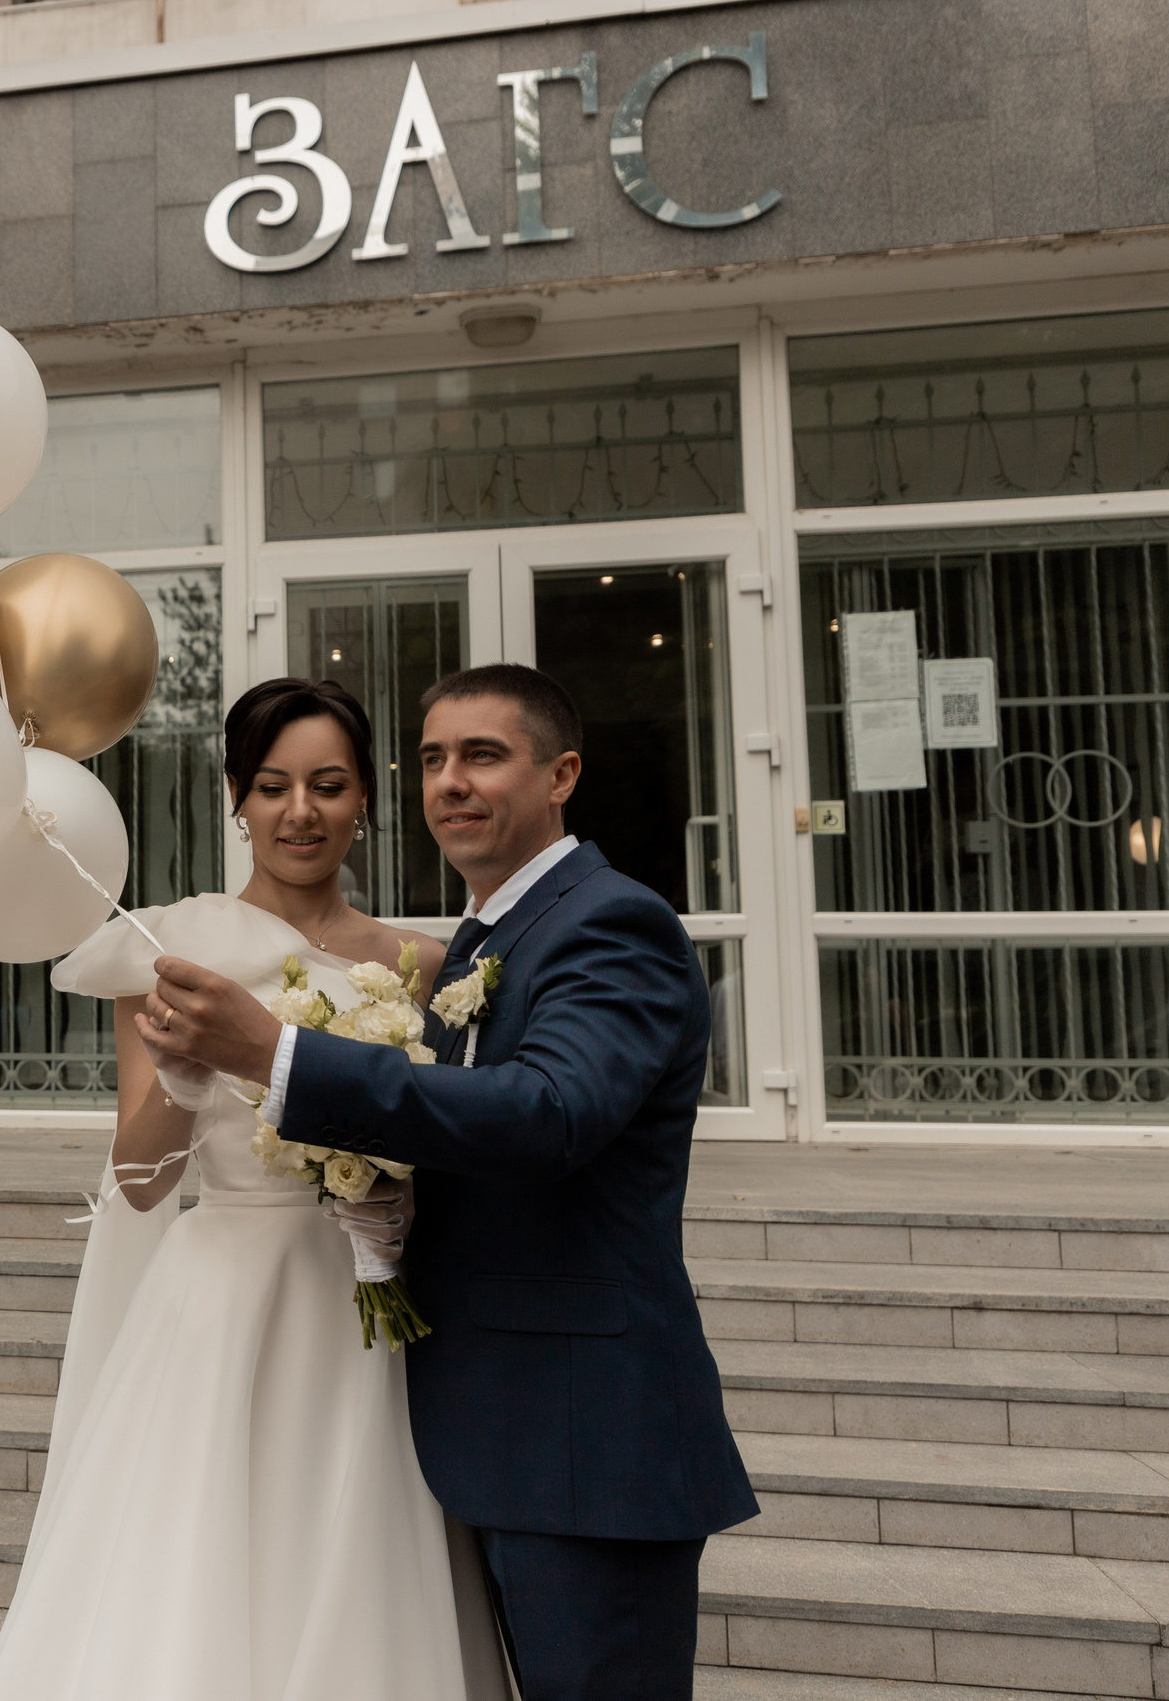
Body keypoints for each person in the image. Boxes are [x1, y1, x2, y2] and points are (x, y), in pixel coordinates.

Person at [141, 664, 757, 1701]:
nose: (451, 783)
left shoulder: (611, 924)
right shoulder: (487, 939)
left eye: (483, 755)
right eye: (433, 759)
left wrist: (277, 1058)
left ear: (561, 773)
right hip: (477, 1423)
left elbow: (550, 1112)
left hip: (582, 1443)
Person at [0, 677, 508, 1701]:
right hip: (222, 1306)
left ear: (364, 798)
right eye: (271, 786)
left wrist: (397, 1195)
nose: (298, 811)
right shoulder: (169, 948)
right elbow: (136, 1183)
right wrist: (179, 1081)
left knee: (363, 1552)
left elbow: (458, 1141)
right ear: (235, 797)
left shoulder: (424, 964)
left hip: (370, 1312)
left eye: (326, 784)